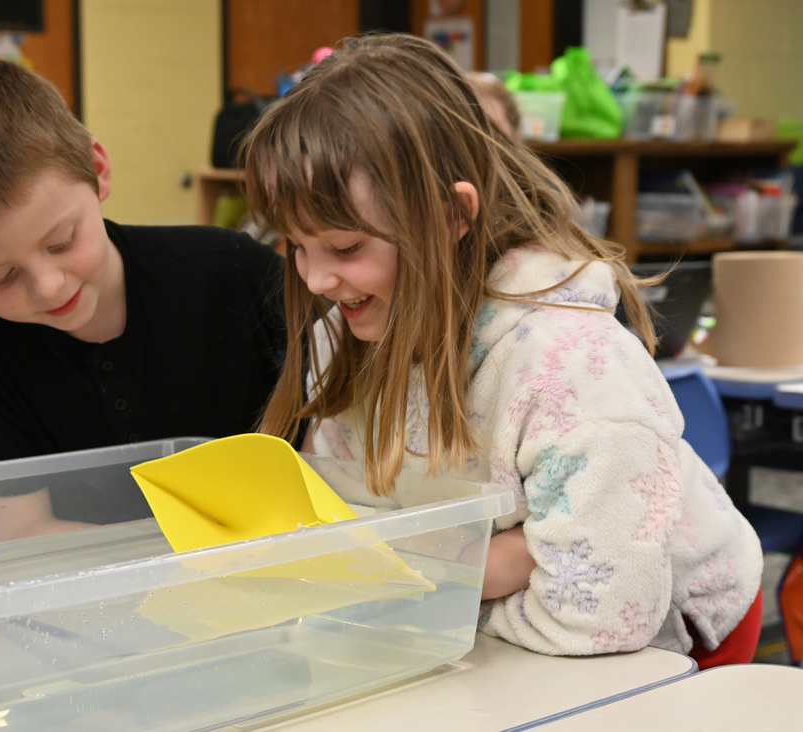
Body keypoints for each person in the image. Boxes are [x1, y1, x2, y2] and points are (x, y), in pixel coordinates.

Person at [240, 33, 763, 669]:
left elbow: (599, 619)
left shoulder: (571, 367)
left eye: (347, 249)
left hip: (676, 638)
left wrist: (451, 577)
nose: (316, 279)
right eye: (296, 246)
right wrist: (499, 563)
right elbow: (350, 544)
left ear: (451, 218)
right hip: (502, 634)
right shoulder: (347, 335)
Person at [0, 58, 286, 542]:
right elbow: (17, 533)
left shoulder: (235, 273)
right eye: (2, 276)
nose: (49, 286)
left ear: (98, 170)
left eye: (62, 241)